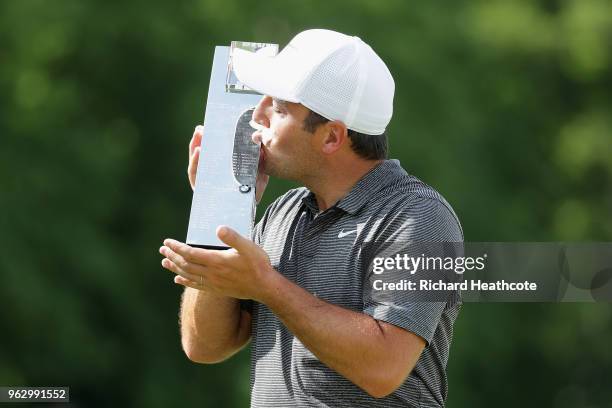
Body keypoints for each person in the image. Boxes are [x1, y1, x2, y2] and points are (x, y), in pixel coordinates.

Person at [159, 29, 463, 407]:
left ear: (332, 137)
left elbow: (383, 367)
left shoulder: (418, 216)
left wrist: (268, 286)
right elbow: (204, 345)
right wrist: (223, 209)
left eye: (280, 108)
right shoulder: (283, 212)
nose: (258, 114)